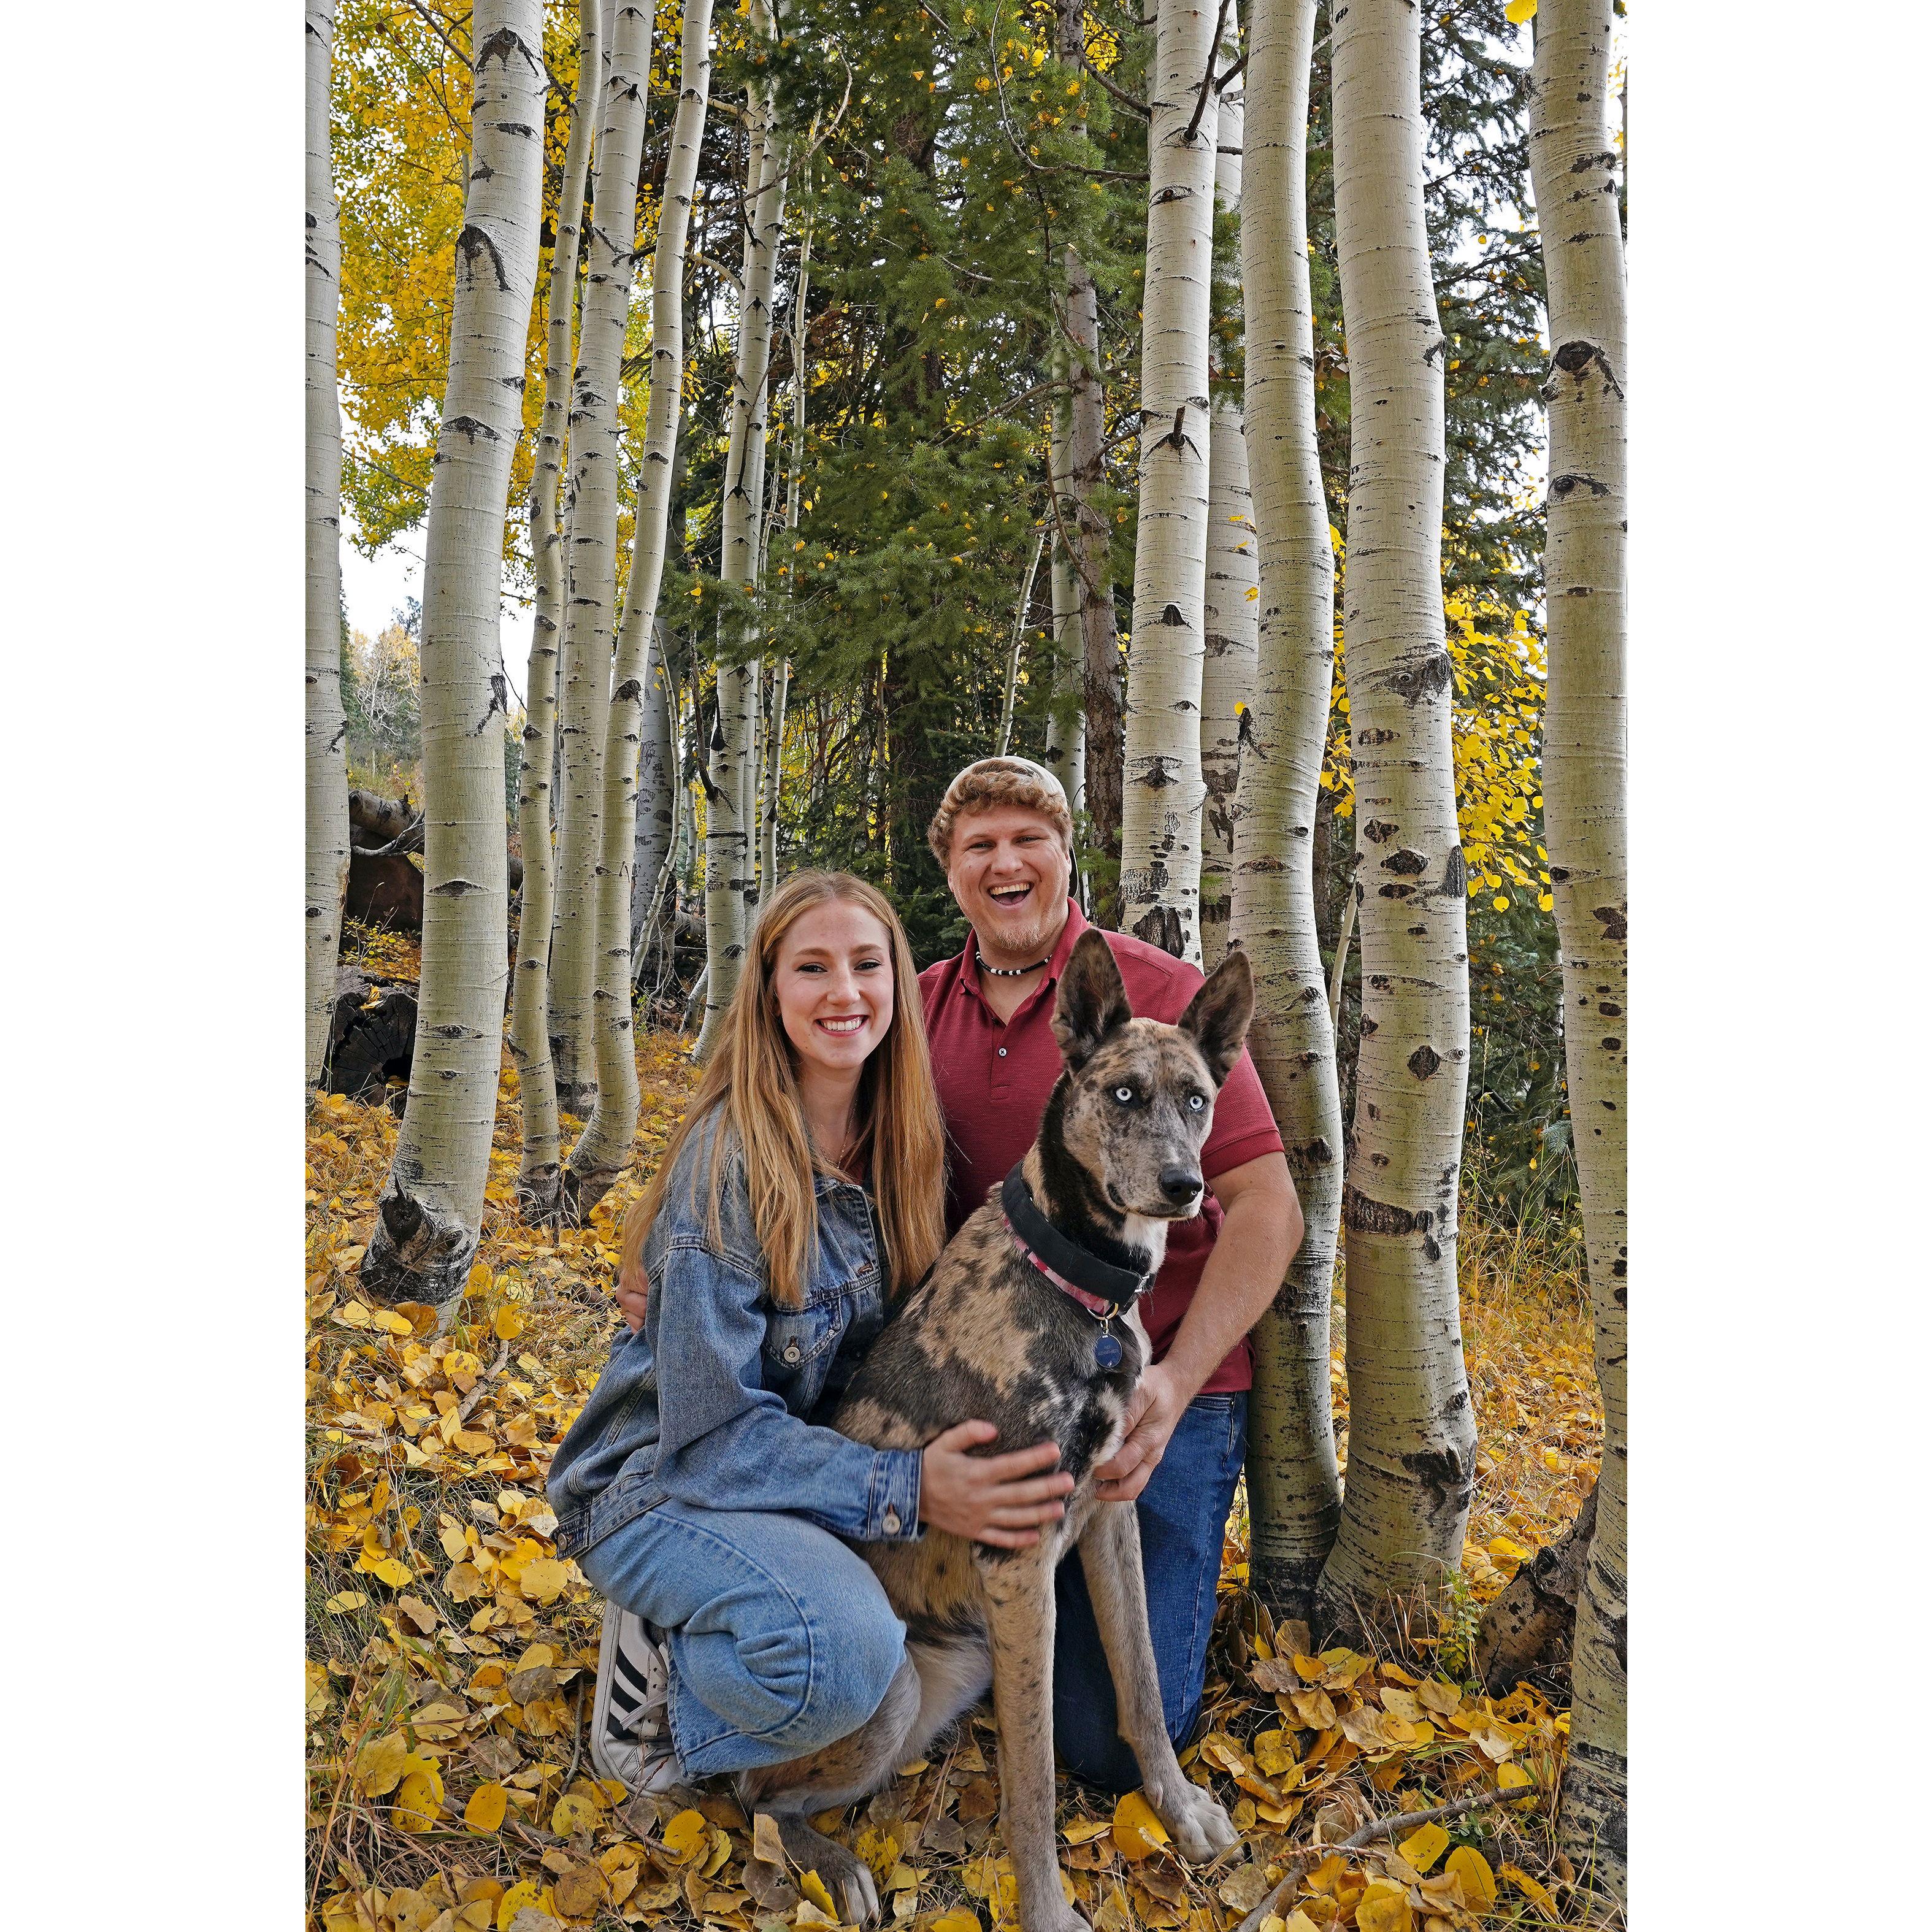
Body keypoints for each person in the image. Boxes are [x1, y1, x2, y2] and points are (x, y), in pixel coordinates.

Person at [550, 871, 1076, 1792]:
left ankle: (752, 1613)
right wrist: (912, 1488)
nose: (844, 992)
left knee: (936, 1658)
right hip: (662, 1482)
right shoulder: (730, 1163)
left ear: (897, 983)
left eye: (867, 964)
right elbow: (708, 1440)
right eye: (812, 968)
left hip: (795, 1483)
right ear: (768, 990)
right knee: (846, 1660)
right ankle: (667, 1685)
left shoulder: (904, 1143)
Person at [914, 757, 1303, 1792]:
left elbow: (1267, 1209)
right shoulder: (912, 1009)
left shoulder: (1162, 1000)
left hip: (1157, 1382)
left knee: (1102, 1745)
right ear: (951, 872)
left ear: (1065, 854)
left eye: (1027, 839)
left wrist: (1172, 1385)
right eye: (979, 845)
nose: (1005, 862)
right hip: (992, 1376)